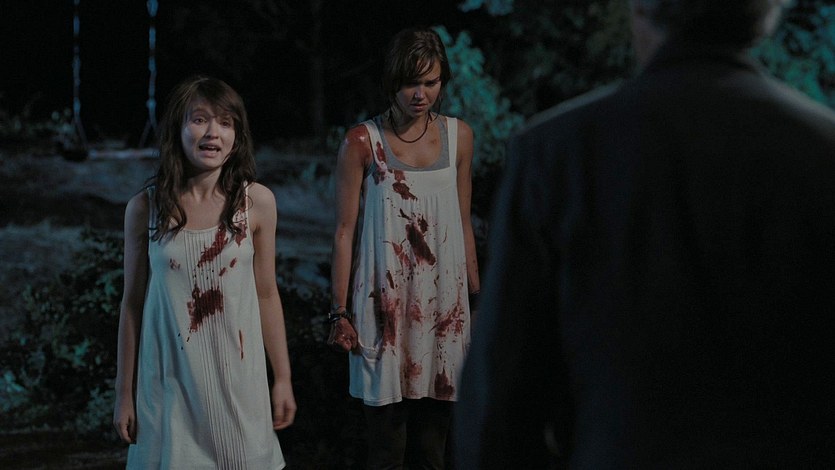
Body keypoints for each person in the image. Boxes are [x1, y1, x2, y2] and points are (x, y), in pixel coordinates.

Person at [456, 0, 835, 468]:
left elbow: (496, 403)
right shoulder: (822, 149)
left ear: (641, 9)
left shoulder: (557, 154)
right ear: (765, 16)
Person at [112, 75, 296, 468]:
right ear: (178, 130)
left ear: (237, 136)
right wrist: (124, 393)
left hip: (238, 384)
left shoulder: (256, 203)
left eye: (226, 122)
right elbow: (132, 305)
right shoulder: (145, 209)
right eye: (199, 120)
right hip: (168, 387)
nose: (213, 132)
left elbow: (266, 294)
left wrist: (282, 377)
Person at [328, 27, 480, 469]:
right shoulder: (362, 142)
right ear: (392, 81)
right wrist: (338, 311)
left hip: (444, 309)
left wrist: (476, 298)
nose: (420, 94)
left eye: (430, 82)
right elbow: (344, 231)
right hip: (383, 309)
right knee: (385, 449)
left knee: (434, 450)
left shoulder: (459, 137)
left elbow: (463, 222)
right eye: (411, 82)